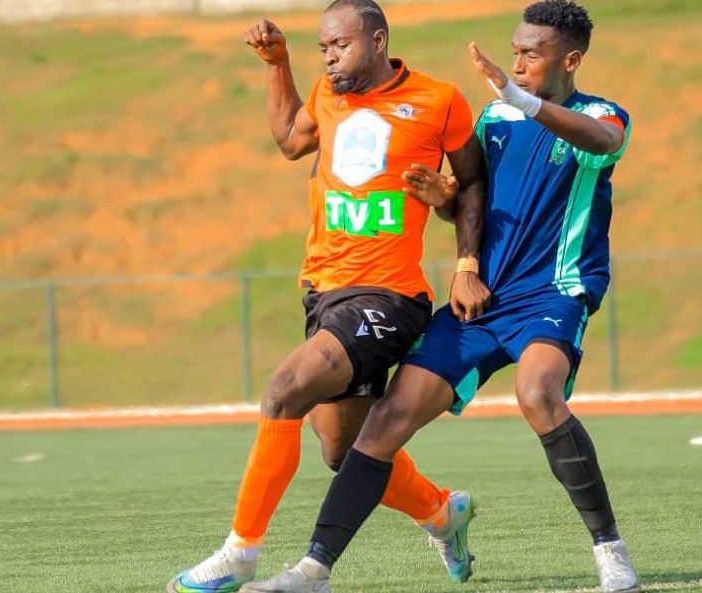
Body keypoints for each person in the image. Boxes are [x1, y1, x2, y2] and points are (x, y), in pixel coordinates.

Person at [244, 1, 640, 592]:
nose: (518, 62)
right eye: (514, 53)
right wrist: (444, 206)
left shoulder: (601, 115)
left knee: (538, 393)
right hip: (479, 299)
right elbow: (472, 201)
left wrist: (526, 100)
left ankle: (611, 551)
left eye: (532, 54)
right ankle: (314, 569)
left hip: (552, 295)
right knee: (383, 423)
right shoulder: (496, 119)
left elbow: (602, 141)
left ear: (571, 59)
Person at [166, 1, 490, 591]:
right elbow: (291, 142)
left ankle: (240, 552)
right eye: (322, 48)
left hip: (390, 296)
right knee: (344, 450)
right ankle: (443, 513)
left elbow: (471, 184)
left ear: (377, 40)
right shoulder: (325, 92)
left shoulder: (439, 100)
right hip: (325, 292)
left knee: (284, 390)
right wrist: (278, 63)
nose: (330, 57)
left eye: (338, 45)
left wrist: (466, 261)